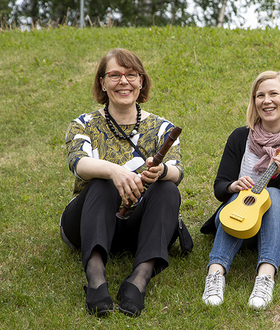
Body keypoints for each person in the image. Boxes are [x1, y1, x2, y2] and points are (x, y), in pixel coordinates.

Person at [60, 48, 183, 317]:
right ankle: (96, 278)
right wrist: (114, 172)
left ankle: (139, 278)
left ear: (141, 81)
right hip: (88, 221)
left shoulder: (162, 128)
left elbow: (177, 171)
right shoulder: (83, 124)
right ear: (102, 82)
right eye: (114, 75)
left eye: (131, 74)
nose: (124, 81)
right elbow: (78, 164)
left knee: (168, 188)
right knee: (102, 182)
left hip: (138, 225)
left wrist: (160, 171)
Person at [200, 71, 280, 310]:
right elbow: (220, 187)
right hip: (241, 220)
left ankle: (265, 277)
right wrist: (233, 185)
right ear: (254, 102)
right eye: (259, 95)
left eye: (273, 93)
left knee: (273, 195)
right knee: (236, 195)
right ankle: (215, 274)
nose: (266, 100)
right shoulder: (240, 137)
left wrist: (275, 175)